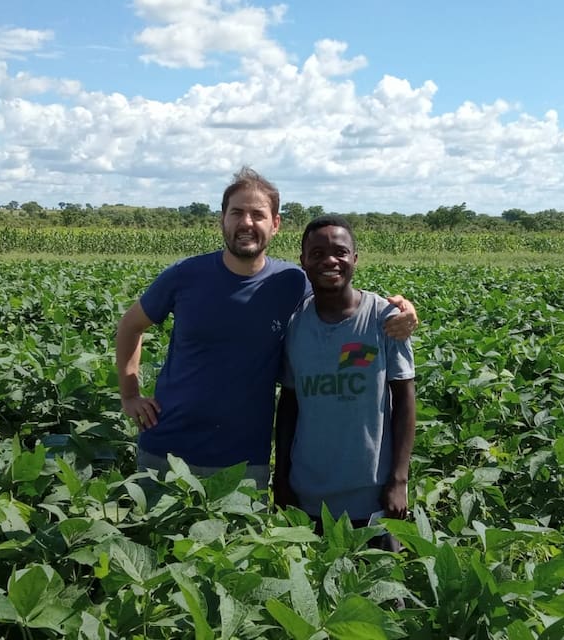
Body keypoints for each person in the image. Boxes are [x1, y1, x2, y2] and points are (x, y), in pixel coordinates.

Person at [114, 168, 417, 490]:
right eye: (237, 213)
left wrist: (402, 310)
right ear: (223, 220)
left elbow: (344, 298)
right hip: (166, 450)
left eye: (257, 215)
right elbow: (131, 326)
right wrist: (130, 395)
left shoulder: (292, 283)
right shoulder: (184, 275)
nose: (246, 223)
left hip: (244, 461)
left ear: (274, 224)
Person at [273, 215, 415, 552]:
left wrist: (399, 480)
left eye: (340, 251)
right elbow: (289, 405)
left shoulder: (385, 319)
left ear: (354, 258)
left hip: (371, 494)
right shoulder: (295, 326)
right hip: (308, 495)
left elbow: (405, 403)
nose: (329, 261)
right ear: (303, 261)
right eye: (317, 253)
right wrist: (281, 477)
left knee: (379, 595)